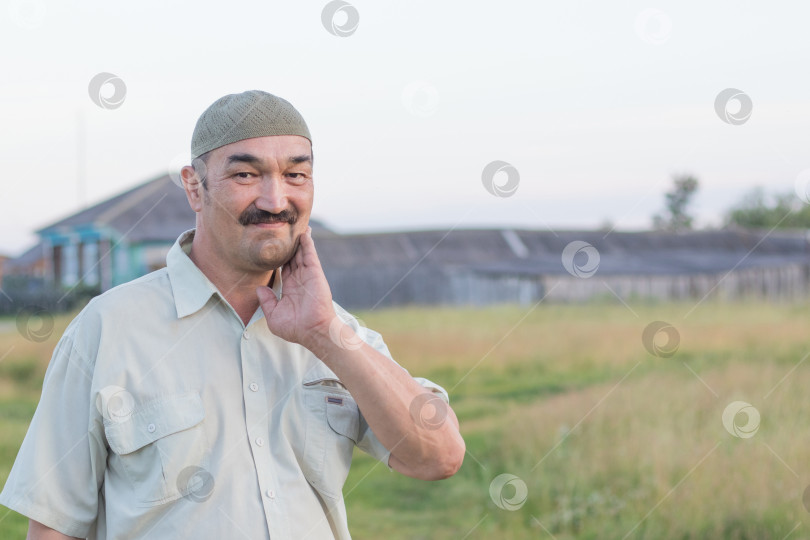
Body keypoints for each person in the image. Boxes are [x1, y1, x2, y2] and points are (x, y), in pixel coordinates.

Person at [0, 90, 465, 539]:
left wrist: (325, 333)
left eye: (296, 175)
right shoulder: (107, 329)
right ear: (193, 186)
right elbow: (54, 527)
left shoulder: (336, 330)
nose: (275, 200)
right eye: (246, 175)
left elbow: (438, 457)